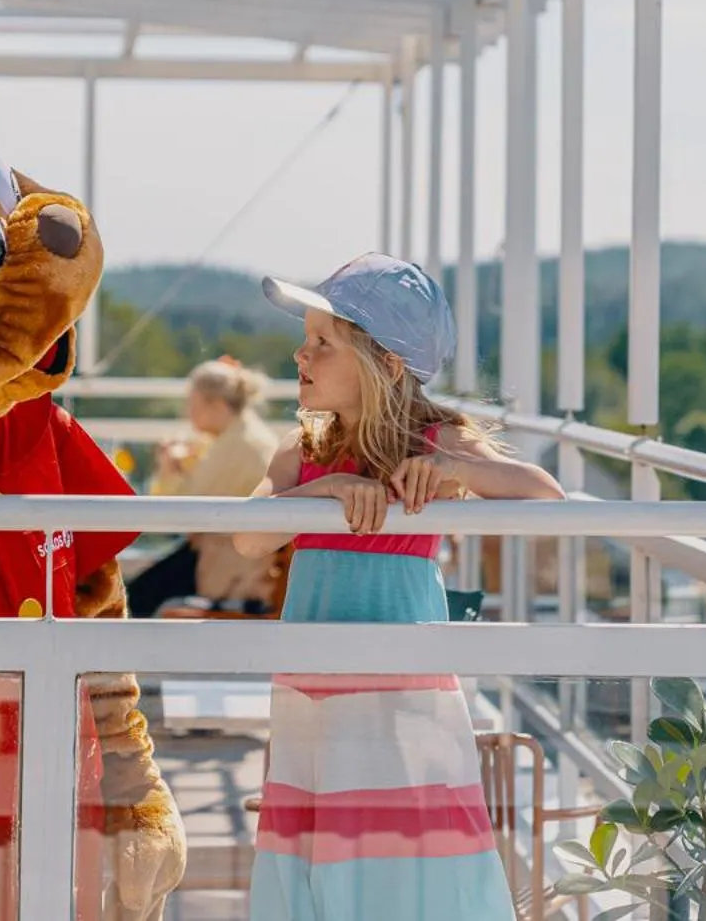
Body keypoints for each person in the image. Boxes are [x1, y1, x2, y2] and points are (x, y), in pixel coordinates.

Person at [235, 253, 562, 921]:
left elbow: (546, 497)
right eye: (306, 338)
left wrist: (451, 470)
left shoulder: (436, 442)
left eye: (323, 342)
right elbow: (247, 537)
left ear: (385, 365)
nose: (301, 353)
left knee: (403, 851)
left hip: (401, 704)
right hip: (312, 700)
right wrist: (324, 491)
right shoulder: (302, 452)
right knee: (321, 846)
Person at [125, 356, 282, 617]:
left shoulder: (235, 446)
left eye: (192, 404)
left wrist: (169, 467)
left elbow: (175, 511)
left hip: (229, 564)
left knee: (135, 598)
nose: (188, 413)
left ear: (216, 405)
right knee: (142, 591)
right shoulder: (242, 436)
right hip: (235, 555)